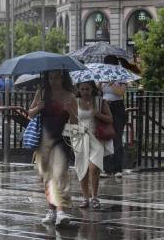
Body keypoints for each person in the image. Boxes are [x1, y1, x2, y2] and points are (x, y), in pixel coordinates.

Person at [28, 70, 77, 227]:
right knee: (47, 176)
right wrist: (38, 108)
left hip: (62, 139)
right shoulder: (42, 94)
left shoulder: (70, 96)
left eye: (57, 77)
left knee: (60, 175)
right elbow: (29, 114)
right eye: (50, 77)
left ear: (63, 78)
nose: (53, 80)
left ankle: (61, 211)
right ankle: (51, 210)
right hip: (44, 140)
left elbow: (76, 121)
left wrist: (70, 111)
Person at [74, 81, 113, 210]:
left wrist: (97, 114)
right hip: (80, 138)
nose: (85, 92)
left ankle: (94, 197)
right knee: (82, 168)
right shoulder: (75, 102)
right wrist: (69, 111)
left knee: (94, 168)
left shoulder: (100, 101)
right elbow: (71, 120)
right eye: (82, 89)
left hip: (96, 138)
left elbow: (110, 119)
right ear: (79, 90)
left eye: (87, 89)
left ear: (92, 89)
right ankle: (85, 198)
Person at [99, 55, 127, 178]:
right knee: (105, 137)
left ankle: (117, 168)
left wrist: (111, 84)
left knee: (117, 137)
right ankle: (106, 168)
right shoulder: (102, 74)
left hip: (117, 107)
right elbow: (98, 90)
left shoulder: (121, 75)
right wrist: (100, 81)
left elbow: (121, 92)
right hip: (105, 106)